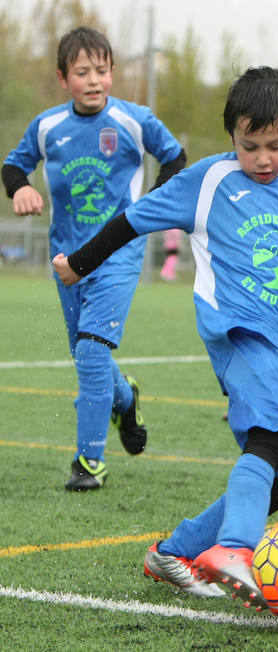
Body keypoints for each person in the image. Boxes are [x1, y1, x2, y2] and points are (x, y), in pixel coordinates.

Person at [51, 66, 278, 604]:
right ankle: (234, 548)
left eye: (276, 145)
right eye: (251, 147)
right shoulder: (208, 180)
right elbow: (132, 220)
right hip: (239, 333)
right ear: (233, 138)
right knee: (270, 439)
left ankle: (173, 552)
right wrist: (79, 266)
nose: (264, 158)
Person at [1, 26, 186, 491]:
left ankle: (89, 463)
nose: (93, 80)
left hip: (119, 254)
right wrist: (20, 187)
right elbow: (12, 165)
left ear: (113, 73)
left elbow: (176, 158)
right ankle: (126, 399)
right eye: (82, 72)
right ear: (63, 78)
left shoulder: (134, 119)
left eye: (101, 70)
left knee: (90, 349)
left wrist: (150, 208)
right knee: (87, 353)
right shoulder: (46, 127)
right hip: (68, 261)